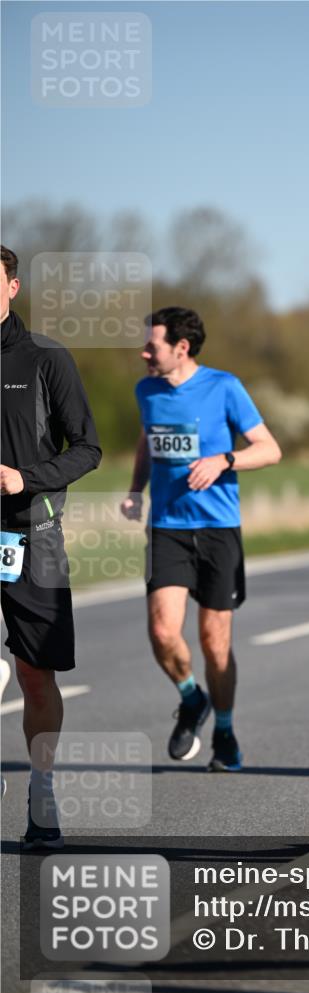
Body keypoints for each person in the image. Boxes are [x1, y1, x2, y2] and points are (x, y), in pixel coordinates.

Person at [121, 307, 281, 772]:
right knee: (162, 632)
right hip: (168, 528)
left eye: (152, 346)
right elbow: (148, 440)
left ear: (181, 348)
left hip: (217, 530)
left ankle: (225, 733)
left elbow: (270, 449)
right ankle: (192, 699)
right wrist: (136, 491)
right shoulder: (146, 389)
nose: (144, 352)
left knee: (214, 641)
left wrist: (224, 461)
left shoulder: (224, 387)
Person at [1, 245, 102, 848]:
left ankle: (42, 786)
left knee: (35, 676)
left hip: (29, 535)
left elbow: (87, 448)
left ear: (13, 287)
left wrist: (25, 478)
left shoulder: (45, 359)